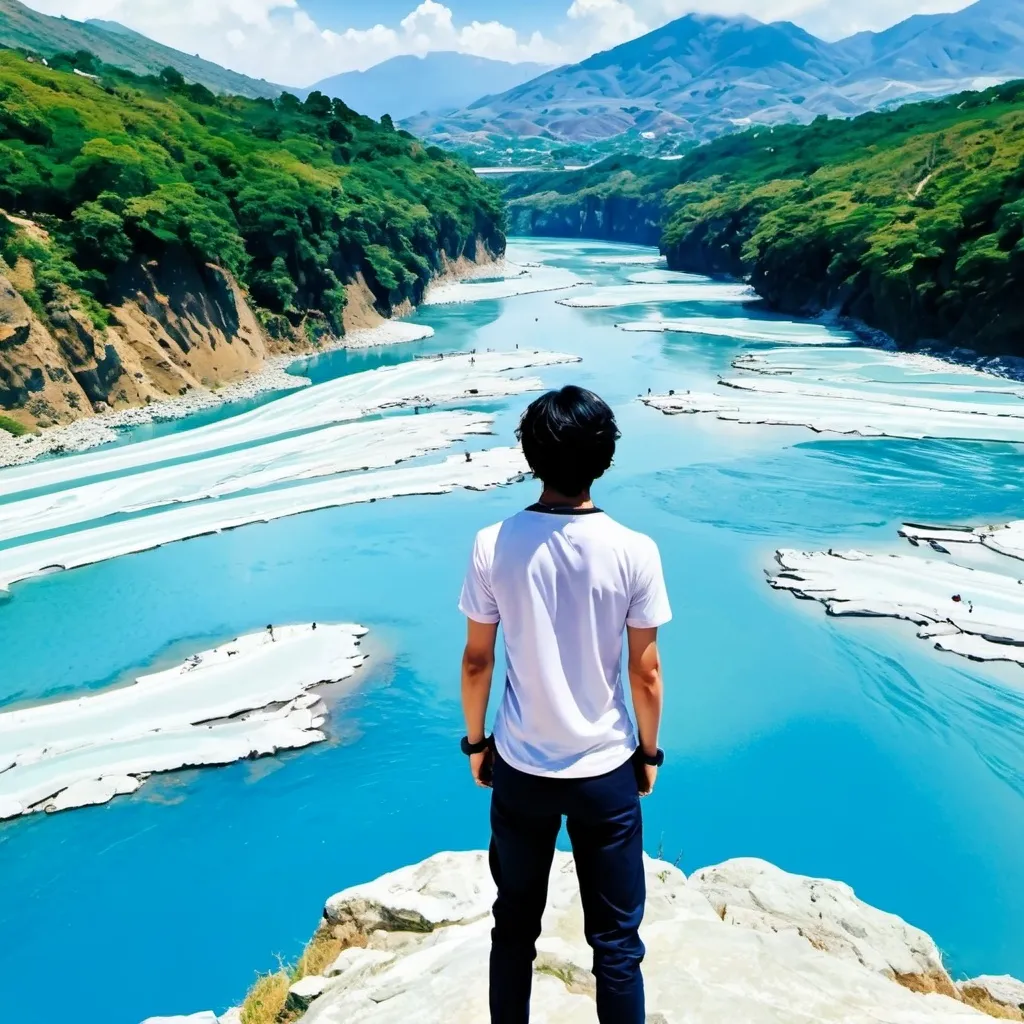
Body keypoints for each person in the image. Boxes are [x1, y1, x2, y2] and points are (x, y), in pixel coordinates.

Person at [458, 385, 671, 1024]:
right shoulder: (636, 550)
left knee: (513, 929)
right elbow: (646, 672)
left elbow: (476, 661)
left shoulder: (493, 543)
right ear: (604, 455)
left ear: (530, 455)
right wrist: (649, 752)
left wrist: (476, 745)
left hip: (521, 767)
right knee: (615, 945)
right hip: (605, 770)